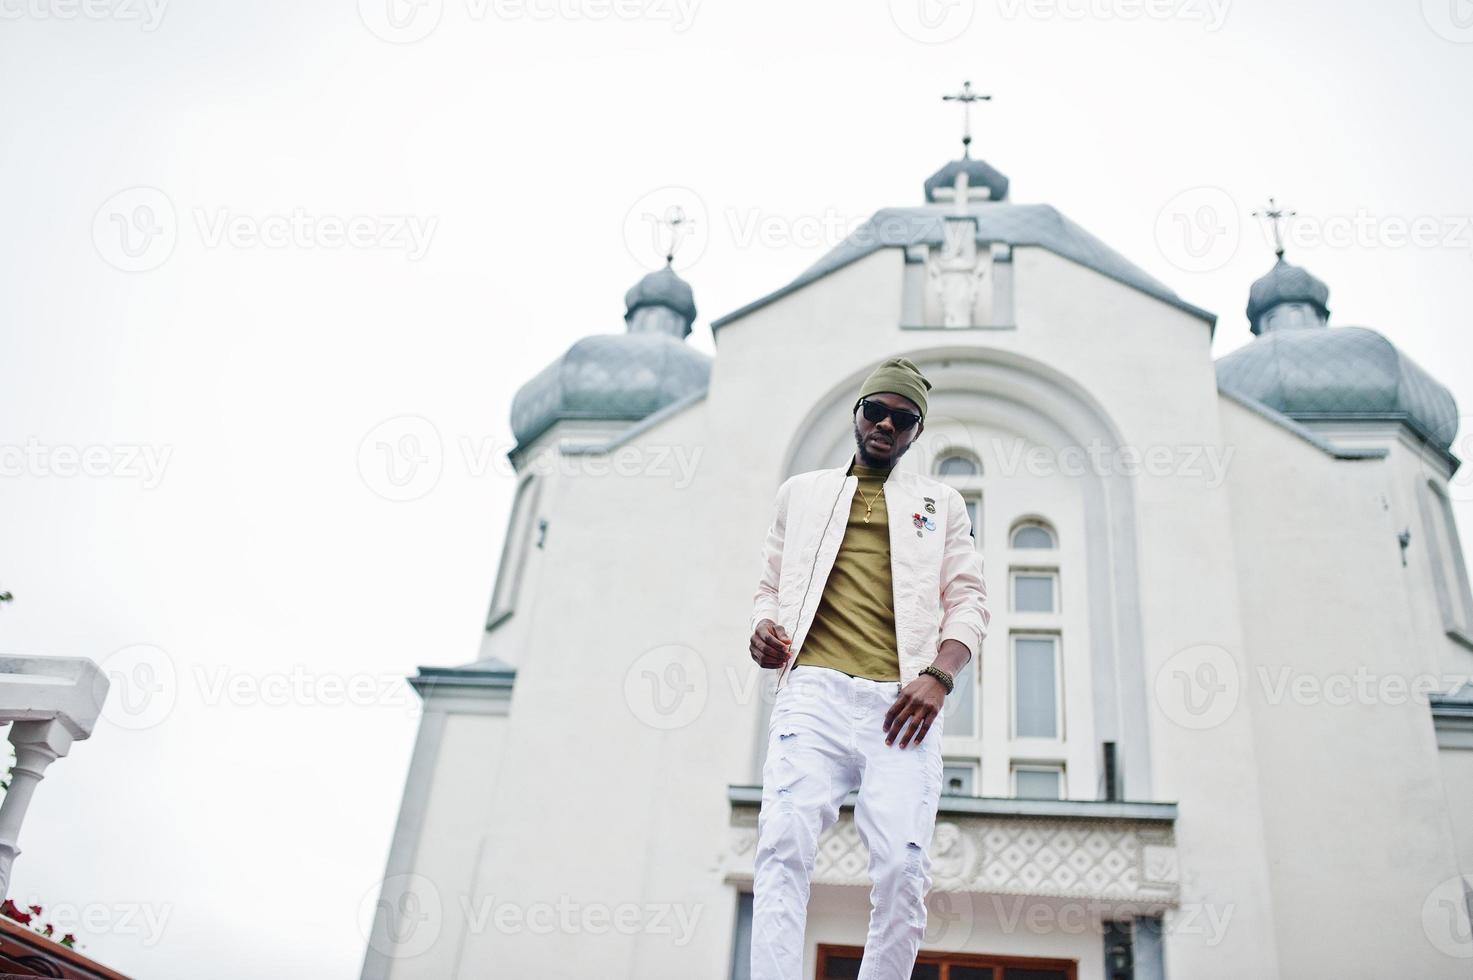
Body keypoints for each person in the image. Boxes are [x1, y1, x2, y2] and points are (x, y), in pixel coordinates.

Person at [747, 356, 990, 980]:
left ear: (915, 431)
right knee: (782, 846)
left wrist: (939, 676)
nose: (886, 424)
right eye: (875, 411)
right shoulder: (801, 494)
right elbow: (769, 588)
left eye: (902, 418)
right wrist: (763, 630)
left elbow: (969, 601)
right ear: (857, 414)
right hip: (813, 693)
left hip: (901, 707)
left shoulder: (941, 504)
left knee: (904, 869)